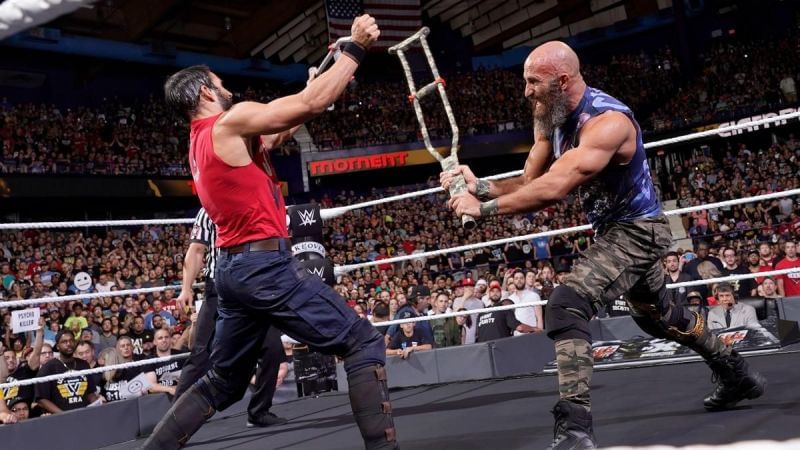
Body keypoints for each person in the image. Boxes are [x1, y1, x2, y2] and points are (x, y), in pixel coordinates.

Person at [442, 41, 764, 449]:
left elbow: (555, 189)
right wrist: (480, 186)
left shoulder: (608, 122)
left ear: (562, 80)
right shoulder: (548, 113)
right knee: (658, 316)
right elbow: (531, 179)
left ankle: (575, 429)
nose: (525, 92)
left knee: (566, 302)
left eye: (532, 82)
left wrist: (483, 209)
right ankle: (735, 371)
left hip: (639, 230)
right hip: (612, 232)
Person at [149, 15, 396, 450]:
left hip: (232, 271)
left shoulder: (200, 139)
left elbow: (276, 133)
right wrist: (354, 49)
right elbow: (311, 105)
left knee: (222, 380)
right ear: (207, 91)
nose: (228, 88)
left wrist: (317, 82)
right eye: (220, 83)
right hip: (263, 266)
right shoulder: (229, 120)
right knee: (363, 342)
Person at [174, 207, 289, 428]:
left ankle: (258, 411)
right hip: (220, 288)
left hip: (254, 287)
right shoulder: (209, 209)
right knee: (200, 354)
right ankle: (175, 422)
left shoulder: (254, 205)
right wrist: (186, 287)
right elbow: (197, 249)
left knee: (272, 349)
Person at [35, 330, 100, 414]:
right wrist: (63, 415)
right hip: (61, 419)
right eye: (64, 342)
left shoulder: (84, 364)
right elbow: (41, 399)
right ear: (58, 346)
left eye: (71, 340)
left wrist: (97, 406)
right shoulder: (48, 368)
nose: (68, 344)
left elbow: (90, 392)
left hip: (84, 415)